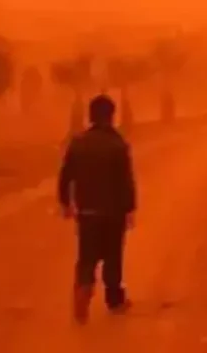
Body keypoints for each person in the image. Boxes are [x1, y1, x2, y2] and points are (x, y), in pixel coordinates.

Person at [57, 94, 137, 323]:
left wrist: (66, 203)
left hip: (87, 212)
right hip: (113, 213)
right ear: (111, 116)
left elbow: (65, 176)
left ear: (91, 116)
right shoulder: (118, 144)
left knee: (87, 257)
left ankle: (83, 289)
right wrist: (130, 208)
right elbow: (126, 180)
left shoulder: (78, 143)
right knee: (113, 256)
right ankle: (114, 300)